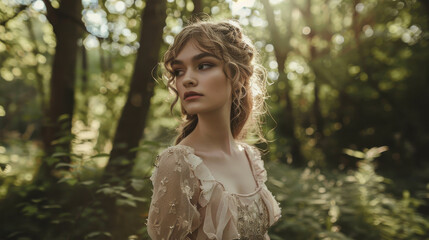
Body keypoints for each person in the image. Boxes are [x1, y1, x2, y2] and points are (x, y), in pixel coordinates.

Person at [146, 19, 281, 240]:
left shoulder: (250, 157)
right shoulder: (179, 163)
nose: (187, 79)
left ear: (237, 75)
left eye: (203, 65)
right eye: (179, 71)